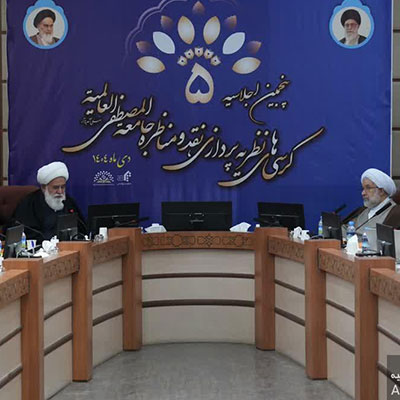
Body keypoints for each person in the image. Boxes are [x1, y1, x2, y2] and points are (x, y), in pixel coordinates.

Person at [12, 161, 86, 242]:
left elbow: (81, 229)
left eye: (63, 187)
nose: (60, 191)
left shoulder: (68, 202)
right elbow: (24, 232)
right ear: (44, 187)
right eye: (56, 187)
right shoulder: (30, 204)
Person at [343, 168, 400, 246]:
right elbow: (345, 229)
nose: (363, 193)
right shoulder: (362, 210)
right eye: (363, 189)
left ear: (381, 191)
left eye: (368, 188)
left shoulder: (396, 214)